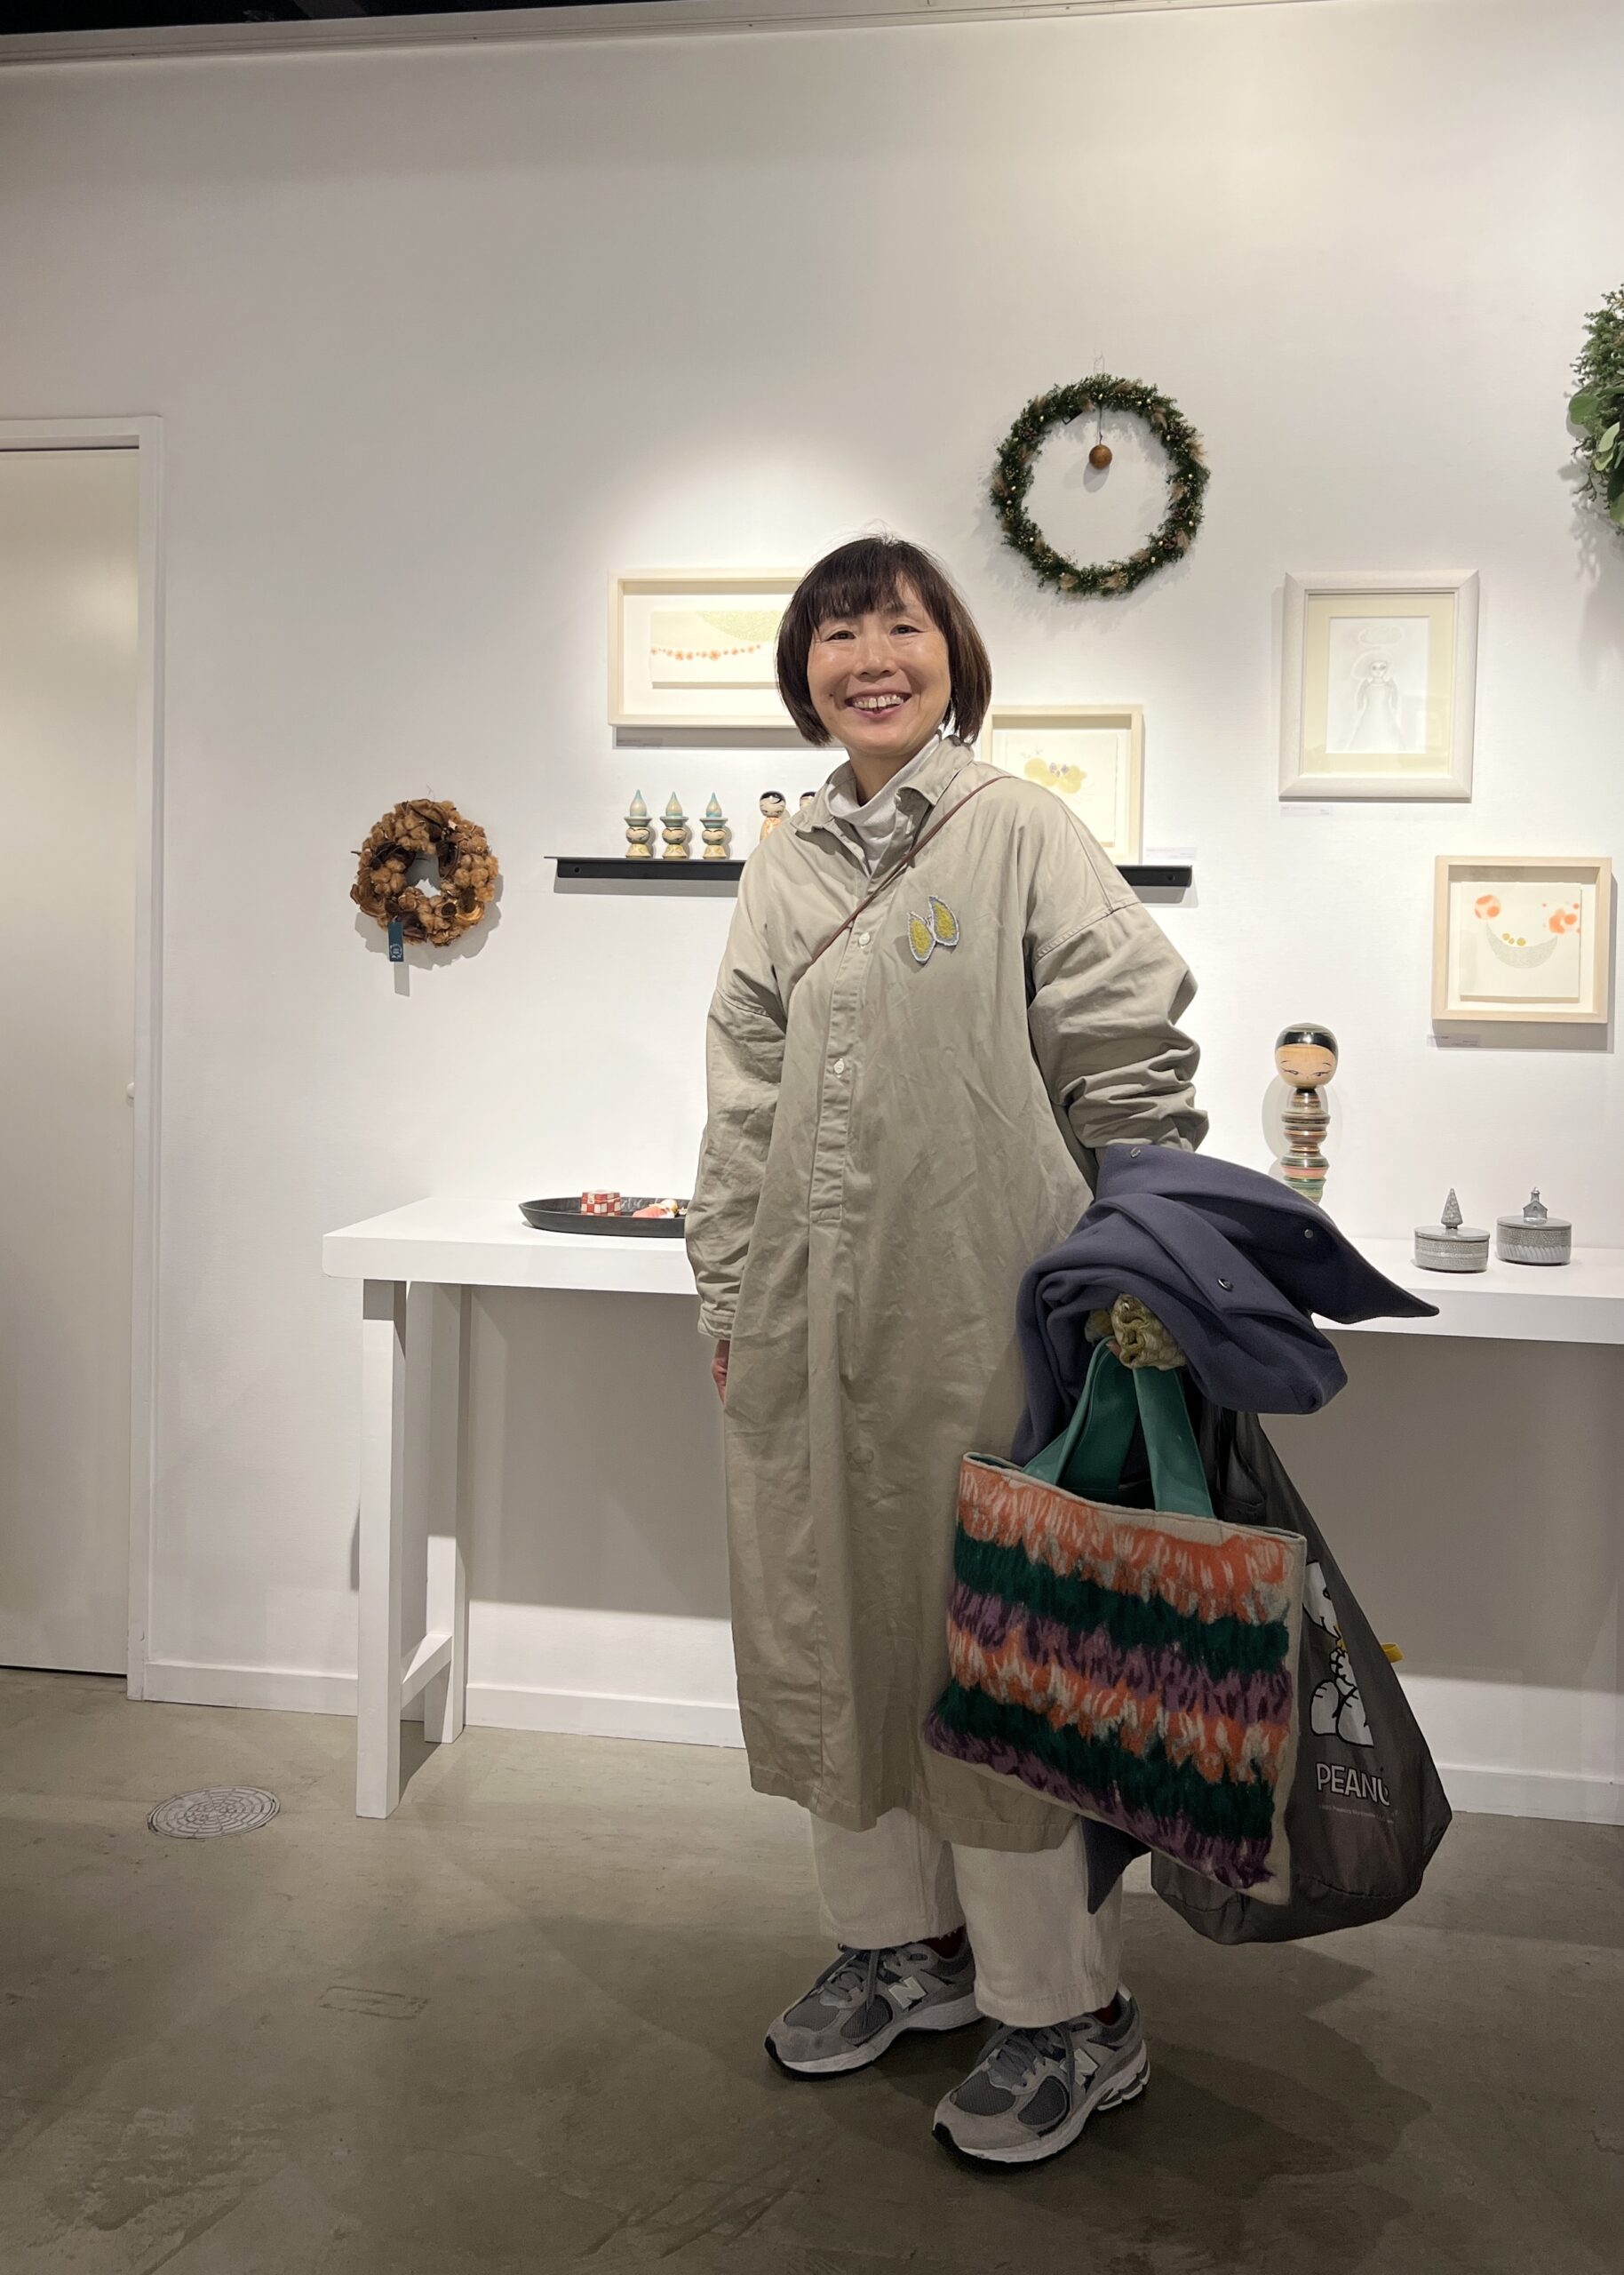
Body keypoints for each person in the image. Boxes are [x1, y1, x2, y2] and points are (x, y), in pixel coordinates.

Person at [684, 535, 1206, 2168]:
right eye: (837, 636)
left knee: (998, 1661)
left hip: (991, 1321)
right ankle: (898, 1948)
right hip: (806, 1326)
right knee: (831, 1639)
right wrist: (729, 1296)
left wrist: (1142, 1277)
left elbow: (1129, 1052)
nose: (871, 659)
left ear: (951, 656)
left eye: (899, 627)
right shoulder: (783, 867)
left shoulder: (1019, 831)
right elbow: (742, 1102)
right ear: (806, 674)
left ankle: (1066, 2014)